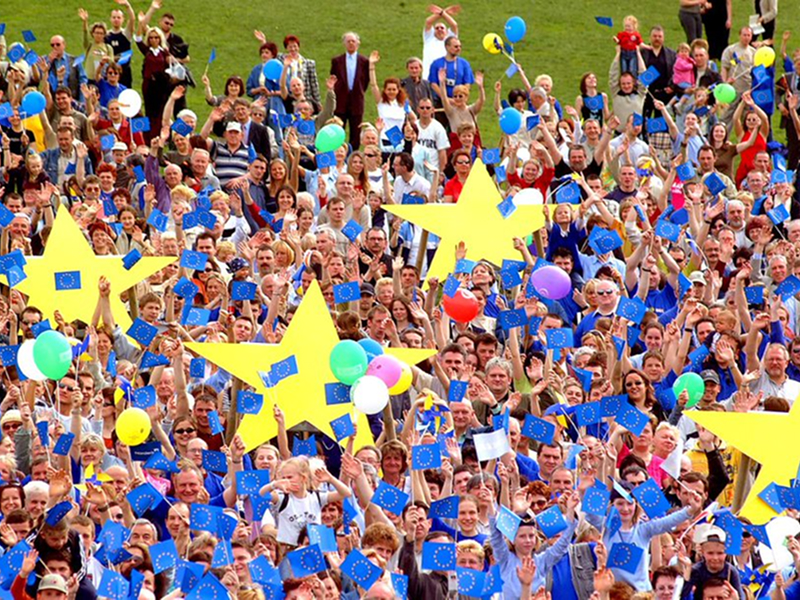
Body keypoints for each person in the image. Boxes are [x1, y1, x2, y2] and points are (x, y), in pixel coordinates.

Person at [330, 32, 369, 149]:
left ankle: (353, 154)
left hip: (357, 101)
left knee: (356, 132)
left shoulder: (364, 61)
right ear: (344, 43)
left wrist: (359, 92)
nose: (351, 43)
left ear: (358, 43)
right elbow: (333, 78)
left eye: (353, 41)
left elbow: (366, 80)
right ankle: (338, 152)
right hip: (341, 100)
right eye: (348, 41)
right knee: (338, 129)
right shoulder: (337, 61)